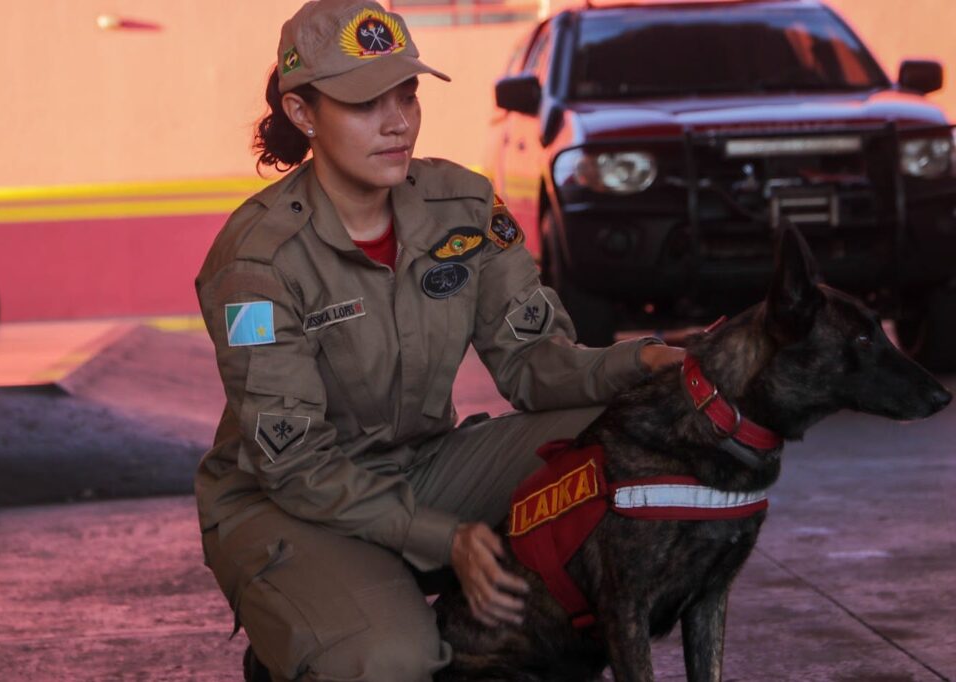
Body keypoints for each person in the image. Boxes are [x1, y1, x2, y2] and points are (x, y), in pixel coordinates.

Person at [194, 1, 684, 680]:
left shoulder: (463, 205)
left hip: (421, 466)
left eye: (408, 94)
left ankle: (535, 634)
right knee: (391, 660)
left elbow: (535, 364)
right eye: (366, 103)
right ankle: (315, 633)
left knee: (629, 435)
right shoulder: (260, 259)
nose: (398, 122)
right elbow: (295, 464)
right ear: (305, 114)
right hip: (288, 502)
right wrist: (444, 540)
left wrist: (643, 363)